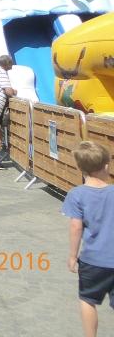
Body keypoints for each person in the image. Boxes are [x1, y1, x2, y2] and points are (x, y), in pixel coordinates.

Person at [64, 141, 114, 337]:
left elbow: (76, 227)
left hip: (93, 260)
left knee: (88, 300)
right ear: (107, 166)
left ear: (81, 169)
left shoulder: (77, 194)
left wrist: (72, 255)